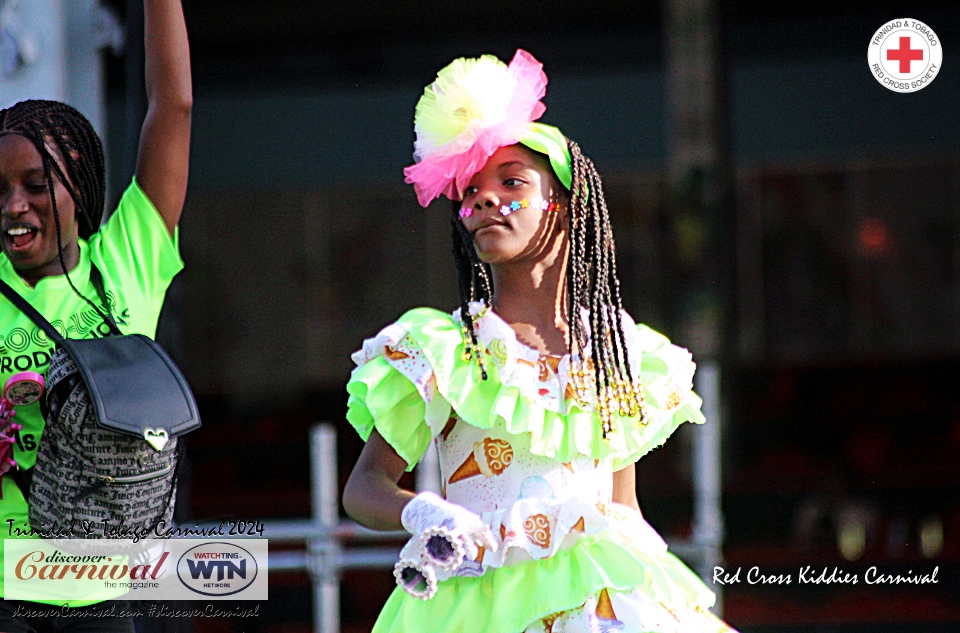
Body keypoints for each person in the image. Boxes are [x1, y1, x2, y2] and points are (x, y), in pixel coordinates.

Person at [343, 50, 737, 632]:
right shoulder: (443, 348)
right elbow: (363, 489)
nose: (485, 200)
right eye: (472, 191)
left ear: (566, 209)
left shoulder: (618, 352)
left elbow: (621, 505)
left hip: (599, 597)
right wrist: (423, 511)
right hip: (477, 603)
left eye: (512, 183)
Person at [0, 0, 191, 629]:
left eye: (34, 184)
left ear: (77, 184)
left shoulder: (128, 260)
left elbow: (174, 107)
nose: (14, 206)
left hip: (101, 589)